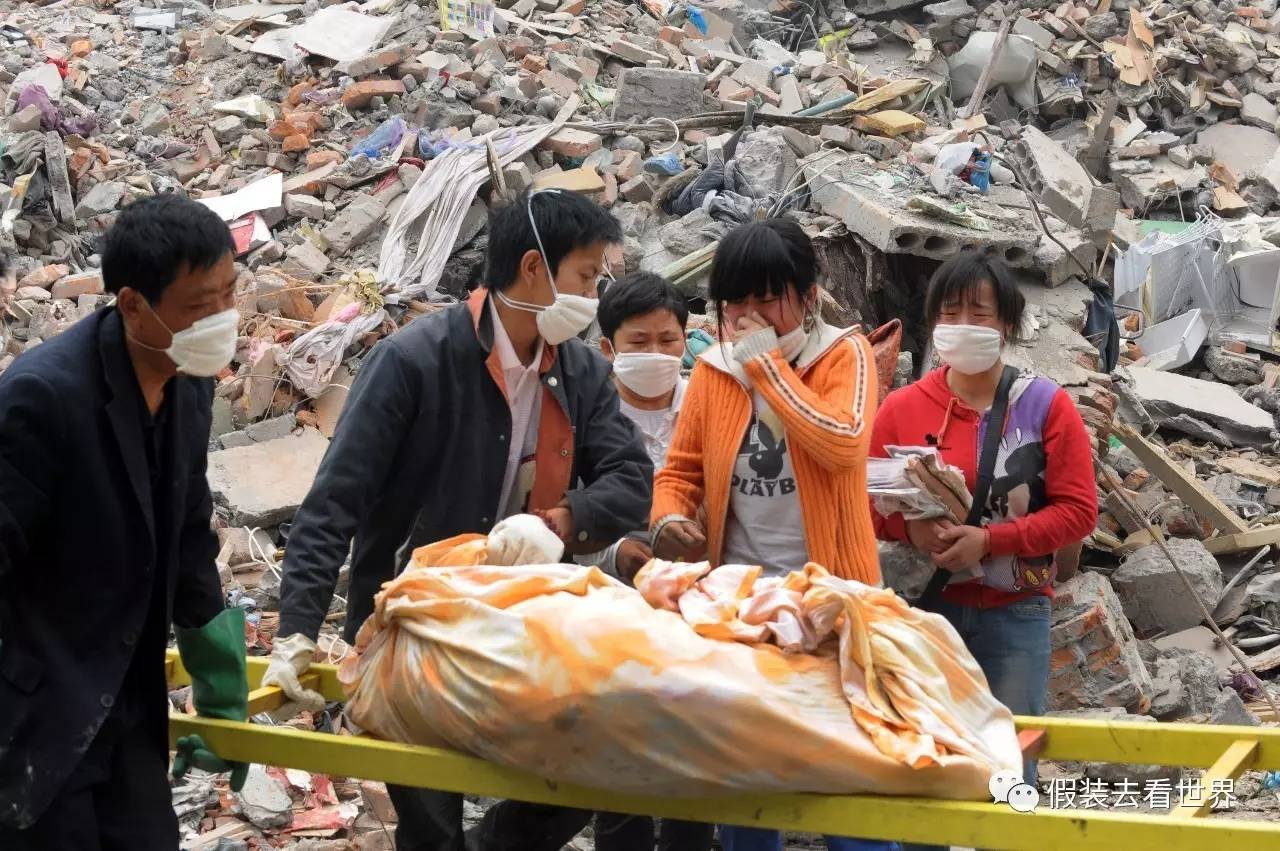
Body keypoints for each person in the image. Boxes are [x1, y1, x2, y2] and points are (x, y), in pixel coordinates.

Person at [268, 188, 653, 851]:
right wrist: (297, 630)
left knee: (591, 765)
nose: (595, 295)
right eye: (587, 277)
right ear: (535, 269)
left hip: (526, 621)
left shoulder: (580, 371)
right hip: (416, 624)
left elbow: (631, 480)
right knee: (429, 816)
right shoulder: (415, 360)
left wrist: (561, 522)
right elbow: (335, 500)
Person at [0, 195, 249, 849]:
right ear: (133, 304)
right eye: (201, 305)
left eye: (231, 292)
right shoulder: (43, 400)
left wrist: (221, 681)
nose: (223, 318)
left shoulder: (190, 381)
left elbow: (190, 528)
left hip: (127, 704)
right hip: (38, 718)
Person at [649, 218, 894, 851]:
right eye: (738, 302)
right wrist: (670, 518)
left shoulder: (843, 354)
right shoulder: (711, 371)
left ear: (807, 296)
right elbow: (681, 471)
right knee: (746, 783)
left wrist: (771, 373)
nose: (752, 316)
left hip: (834, 600)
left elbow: (842, 444)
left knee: (851, 778)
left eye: (768, 298)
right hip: (742, 602)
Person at [868, 252, 1096, 783]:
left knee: (1011, 767)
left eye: (980, 313)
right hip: (924, 612)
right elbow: (864, 500)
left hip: (1015, 614)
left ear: (1008, 323)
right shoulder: (900, 408)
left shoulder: (1044, 407)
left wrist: (991, 541)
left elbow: (1079, 512)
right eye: (950, 313)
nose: (963, 326)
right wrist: (910, 528)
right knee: (924, 764)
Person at [584, 272, 715, 851]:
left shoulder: (710, 404)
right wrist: (621, 554)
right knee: (623, 742)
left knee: (699, 737)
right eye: (639, 343)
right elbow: (565, 515)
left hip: (703, 597)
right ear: (609, 347)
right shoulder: (589, 414)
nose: (657, 354)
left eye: (669, 340)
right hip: (616, 605)